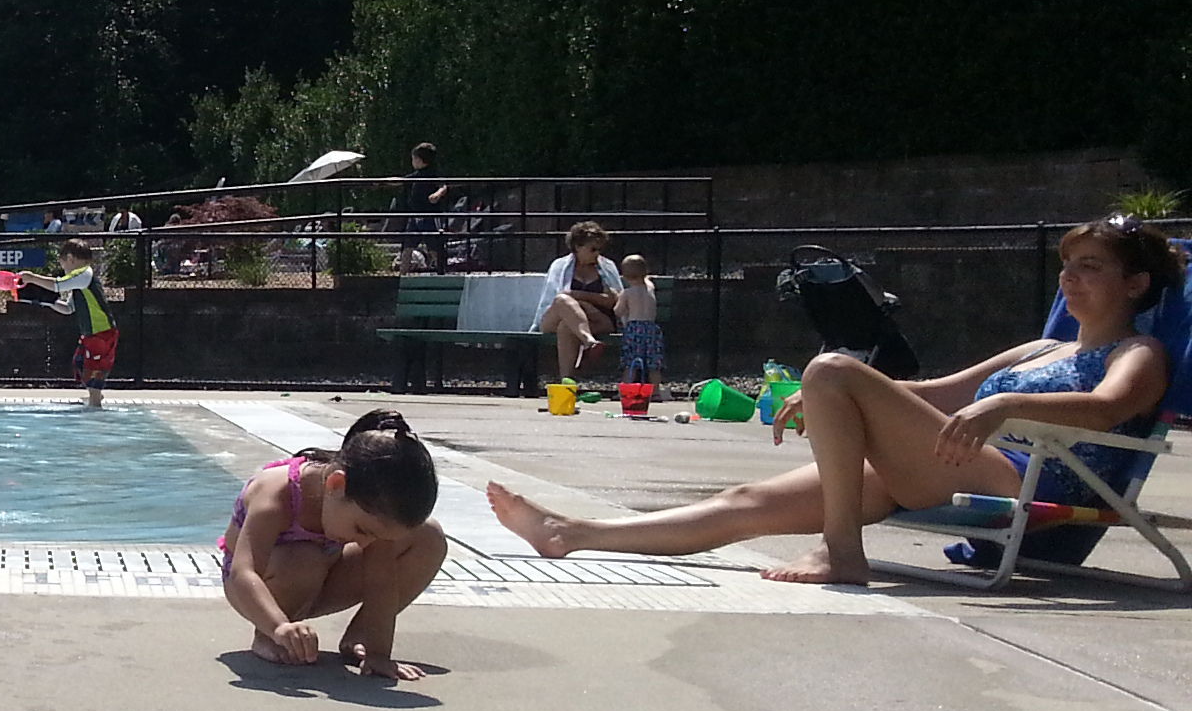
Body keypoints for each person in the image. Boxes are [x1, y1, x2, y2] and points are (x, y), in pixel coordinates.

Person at [490, 217, 1180, 585]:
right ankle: (569, 533)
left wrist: (998, 412)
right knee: (746, 498)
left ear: (1135, 283)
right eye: (1069, 264)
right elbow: (935, 394)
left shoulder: (1137, 353)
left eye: (1091, 266)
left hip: (1030, 478)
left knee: (832, 367)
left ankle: (841, 550)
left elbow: (1103, 409)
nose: (1071, 275)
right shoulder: (1039, 350)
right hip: (956, 457)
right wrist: (829, 402)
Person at [219, 407, 448, 679]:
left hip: (323, 578)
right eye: (361, 530)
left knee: (428, 537)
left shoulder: (367, 509)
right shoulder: (277, 494)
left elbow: (381, 581)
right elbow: (244, 572)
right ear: (336, 484)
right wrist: (277, 626)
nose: (365, 542)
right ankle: (269, 636)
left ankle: (359, 636)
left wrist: (379, 653)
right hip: (257, 590)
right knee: (305, 559)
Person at [14, 238, 118, 407]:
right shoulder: (81, 281)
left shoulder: (84, 273)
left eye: (63, 264)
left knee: (93, 373)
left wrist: (32, 278)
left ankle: (95, 405)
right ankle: (95, 395)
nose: (64, 269)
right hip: (92, 335)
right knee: (80, 365)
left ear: (70, 259)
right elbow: (68, 309)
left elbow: (58, 285)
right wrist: (41, 300)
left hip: (101, 334)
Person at [534, 220, 620, 379]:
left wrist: (580, 297)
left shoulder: (606, 267)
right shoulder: (560, 266)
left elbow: (613, 300)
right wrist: (580, 303)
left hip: (598, 320)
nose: (597, 254)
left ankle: (566, 384)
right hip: (557, 316)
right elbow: (556, 298)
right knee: (562, 301)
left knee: (566, 327)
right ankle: (589, 341)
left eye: (599, 249)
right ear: (577, 247)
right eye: (593, 249)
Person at [392, 143, 451, 271]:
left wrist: (437, 195)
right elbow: (402, 180)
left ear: (419, 160)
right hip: (415, 216)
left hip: (429, 216)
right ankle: (403, 276)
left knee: (434, 248)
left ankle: (442, 273)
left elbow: (443, 186)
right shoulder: (416, 175)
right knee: (407, 248)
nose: (412, 162)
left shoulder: (433, 173)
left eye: (413, 159)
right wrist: (385, 182)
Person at [617, 254, 664, 391]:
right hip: (651, 329)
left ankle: (627, 390)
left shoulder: (627, 293)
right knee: (653, 363)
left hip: (634, 329)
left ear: (624, 276)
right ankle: (655, 391)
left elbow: (618, 311)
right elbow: (648, 282)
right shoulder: (649, 288)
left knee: (630, 362)